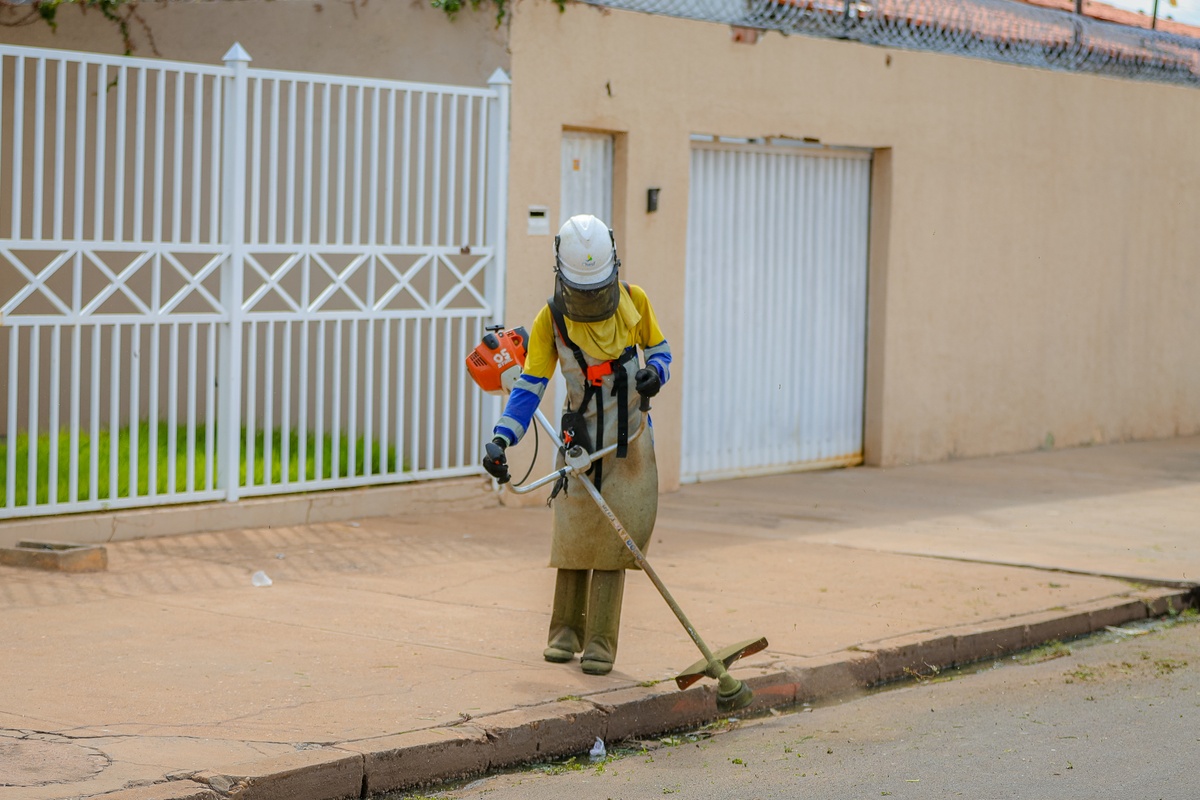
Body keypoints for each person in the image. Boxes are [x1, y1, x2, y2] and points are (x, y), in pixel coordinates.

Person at [482, 214, 672, 676]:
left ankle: (601, 643)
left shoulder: (635, 301)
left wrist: (656, 373)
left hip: (629, 444)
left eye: (597, 291)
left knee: (615, 542)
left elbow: (661, 351)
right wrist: (502, 438)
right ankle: (564, 634)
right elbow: (530, 385)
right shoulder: (550, 319)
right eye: (582, 293)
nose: (590, 300)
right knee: (573, 537)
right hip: (580, 446)